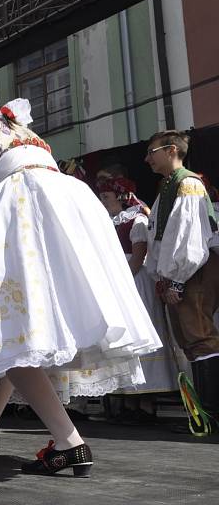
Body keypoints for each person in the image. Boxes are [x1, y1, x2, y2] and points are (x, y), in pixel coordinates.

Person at [0, 80, 161, 476]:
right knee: (15, 331)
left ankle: (69, 441)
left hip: (22, 204)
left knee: (1, 324)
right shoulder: (19, 129)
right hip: (68, 201)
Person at [95, 173, 183, 422]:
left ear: (121, 197)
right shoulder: (109, 221)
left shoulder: (137, 219)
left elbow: (138, 256)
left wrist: (121, 281)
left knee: (140, 334)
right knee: (122, 338)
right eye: (101, 196)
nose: (103, 201)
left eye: (106, 196)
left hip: (133, 281)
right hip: (116, 279)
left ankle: (145, 403)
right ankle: (128, 402)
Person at [143, 130, 219, 418]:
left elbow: (191, 236)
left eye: (152, 151)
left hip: (193, 272)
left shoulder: (187, 184)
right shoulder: (168, 187)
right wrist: (162, 277)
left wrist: (177, 278)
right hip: (178, 274)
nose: (147, 158)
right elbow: (161, 238)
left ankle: (212, 412)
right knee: (189, 342)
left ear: (171, 150)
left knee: (200, 337)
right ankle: (203, 412)